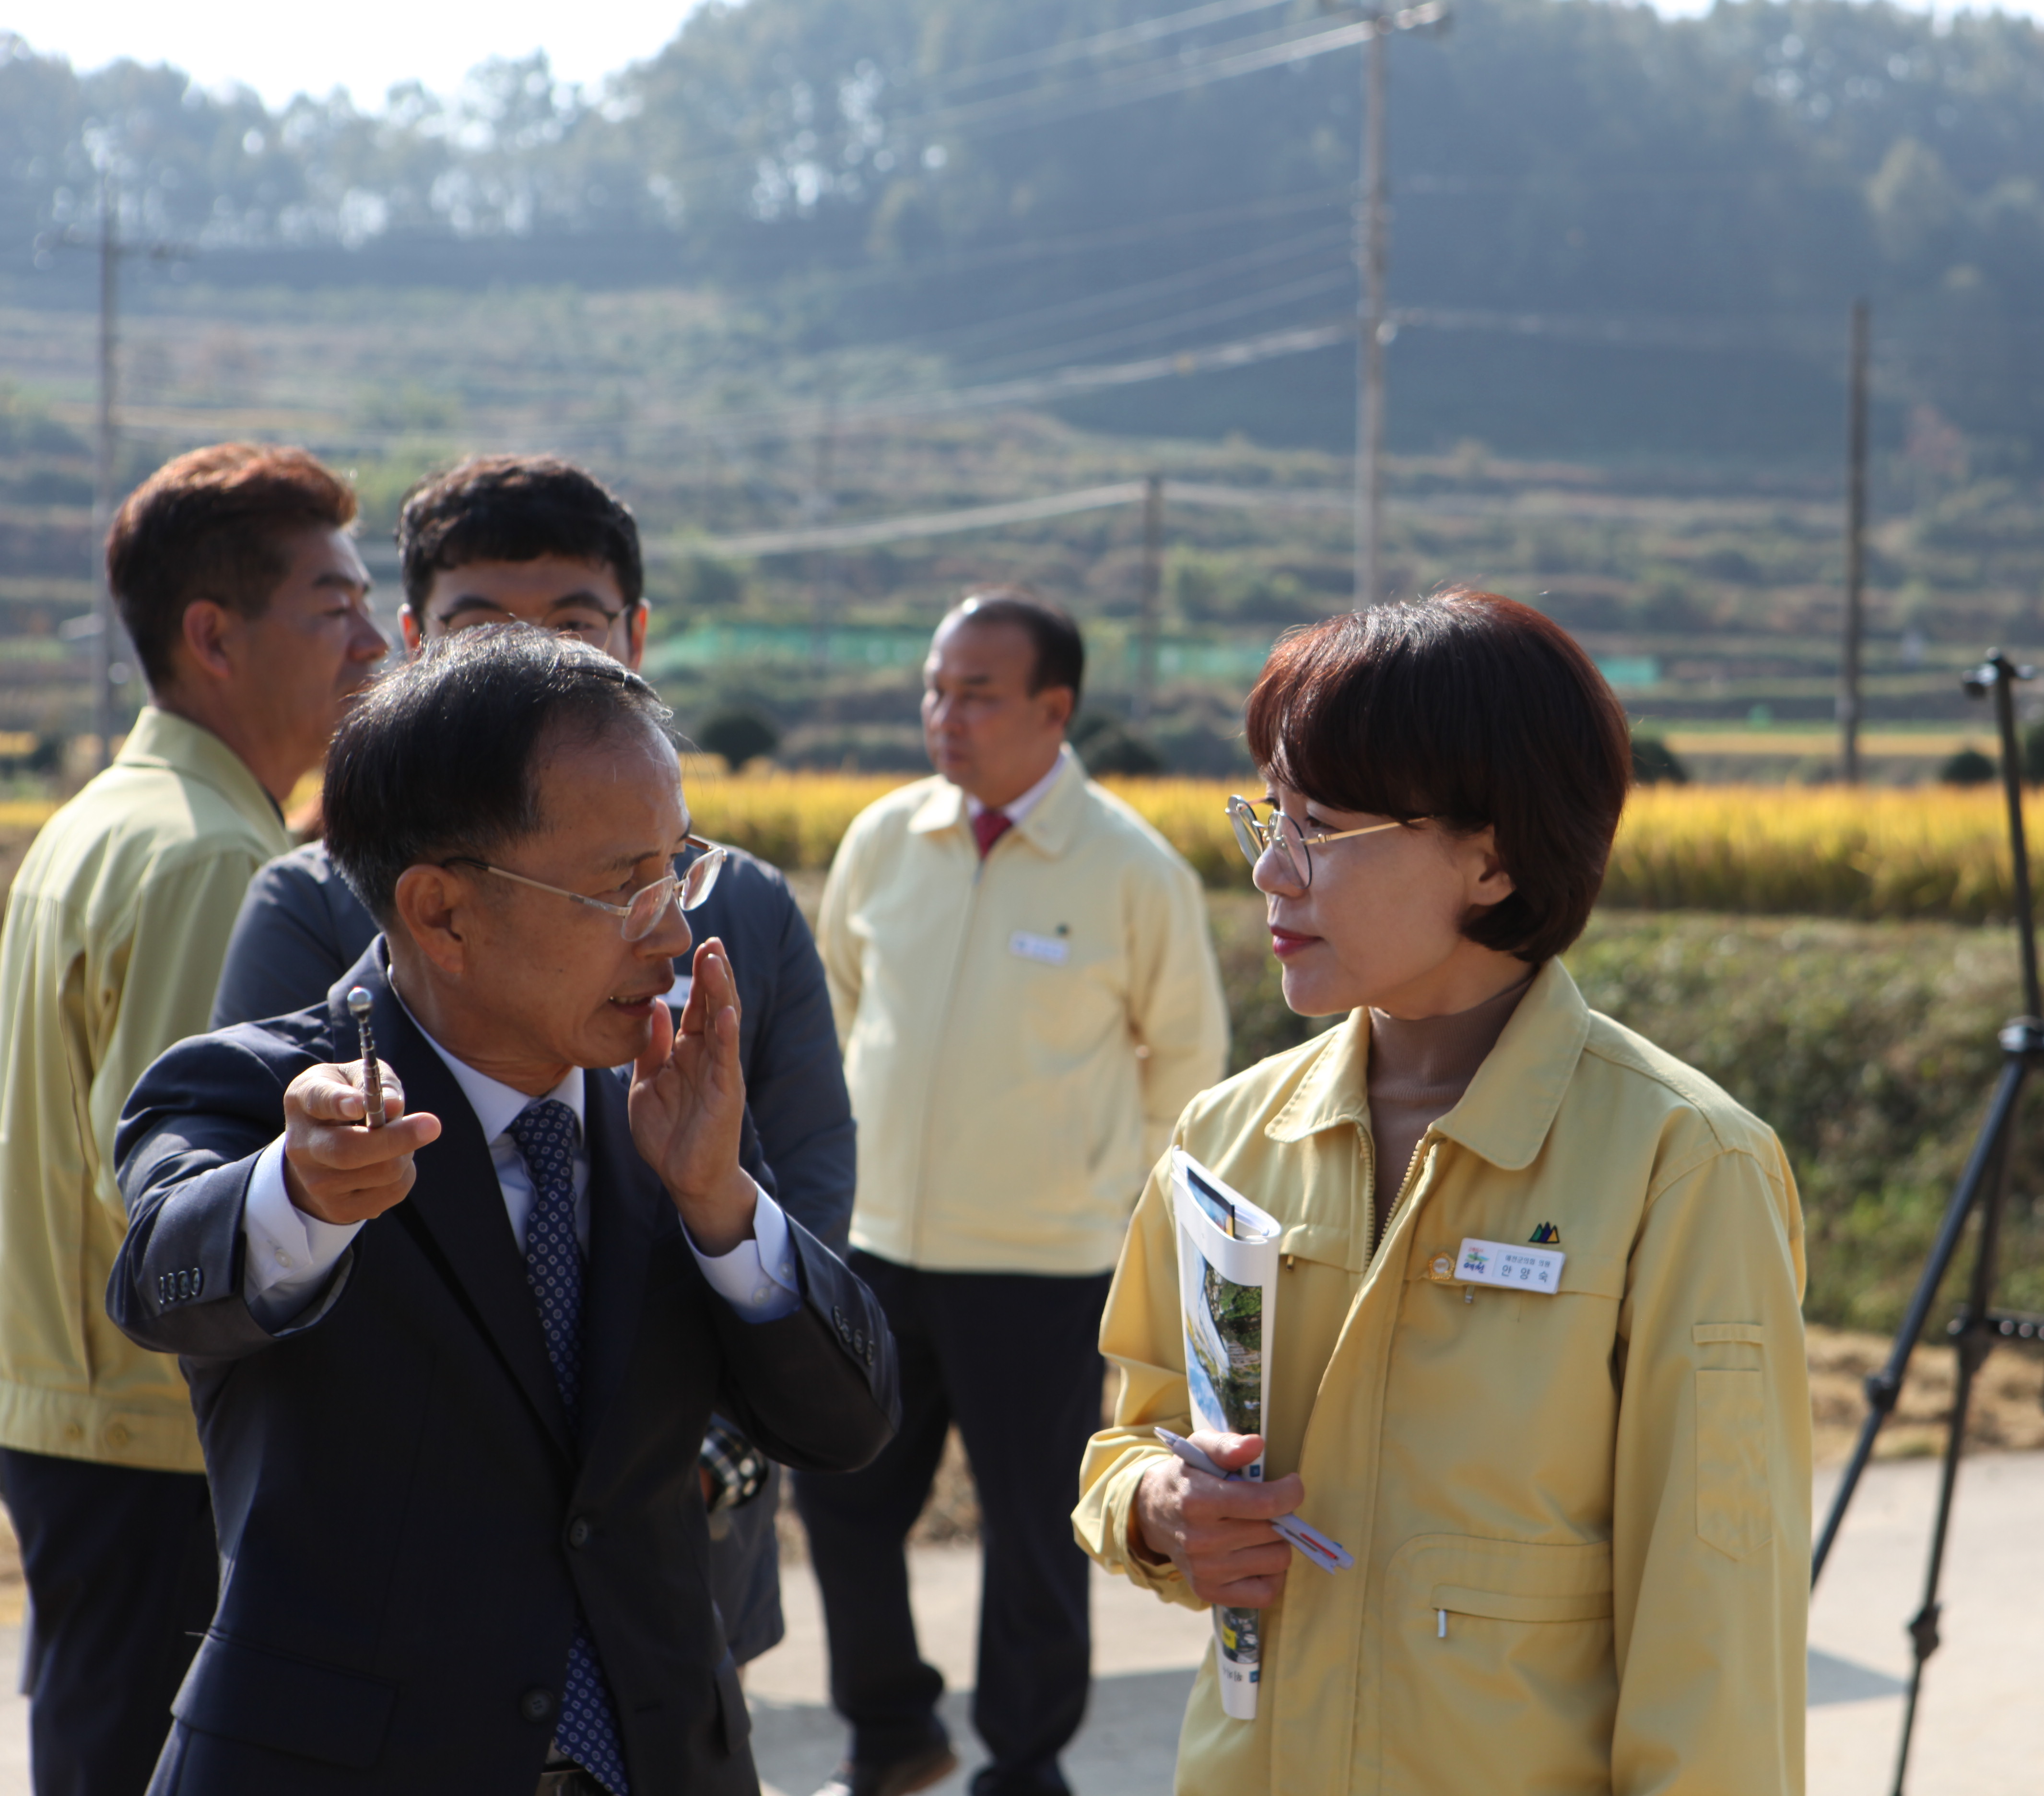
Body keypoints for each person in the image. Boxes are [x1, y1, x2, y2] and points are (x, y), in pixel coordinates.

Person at [108, 626, 901, 1796]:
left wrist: (724, 1205)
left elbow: (847, 1423)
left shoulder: (669, 1113)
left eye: (676, 870)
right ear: (441, 914)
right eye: (622, 888)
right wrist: (302, 1195)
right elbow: (162, 1279)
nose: (673, 934)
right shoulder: (261, 1095)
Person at [1074, 590, 1812, 1795]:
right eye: (1266, 812)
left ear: (1492, 855)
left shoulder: (1684, 1168)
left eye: (1320, 826)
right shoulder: (1229, 1136)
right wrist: (1159, 1507)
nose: (1271, 866)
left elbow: (1717, 1637)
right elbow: (1132, 1435)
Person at [209, 453, 853, 1667]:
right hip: (409, 1635)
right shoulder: (307, 912)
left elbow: (804, 1174)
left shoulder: (741, 907)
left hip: (675, 1567)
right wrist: (306, 1184)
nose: (665, 939)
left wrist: (709, 1444)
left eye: (573, 624)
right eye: (479, 627)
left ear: (636, 632)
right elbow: (215, 1238)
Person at [0, 443, 386, 1795]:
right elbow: (173, 1195)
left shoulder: (111, 815)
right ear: (211, 635)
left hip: (83, 1419)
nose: (378, 640)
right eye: (334, 608)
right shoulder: (218, 858)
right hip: (163, 1433)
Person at [800, 589, 1228, 1796]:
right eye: (936, 688)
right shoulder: (885, 838)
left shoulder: (1132, 872)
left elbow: (1189, 1073)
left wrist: (1121, 1220)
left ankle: (1024, 1769)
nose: (946, 714)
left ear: (1056, 707)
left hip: (1046, 1268)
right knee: (839, 1499)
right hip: (873, 1246)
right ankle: (890, 1736)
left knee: (1034, 1536)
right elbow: (836, 1003)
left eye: (977, 693)